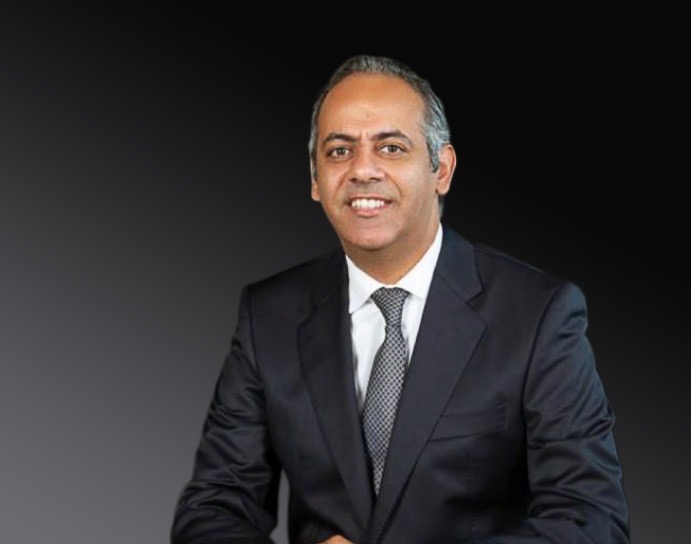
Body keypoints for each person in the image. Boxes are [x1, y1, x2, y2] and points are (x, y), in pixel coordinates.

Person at [170, 54, 630, 544]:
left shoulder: (537, 314)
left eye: (391, 148)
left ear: (442, 169)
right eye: (339, 151)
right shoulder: (269, 316)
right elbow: (211, 511)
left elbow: (591, 518)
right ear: (315, 180)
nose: (363, 170)